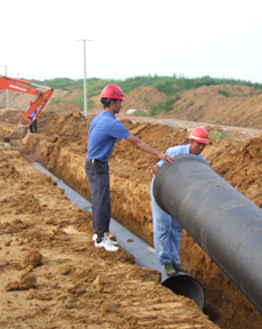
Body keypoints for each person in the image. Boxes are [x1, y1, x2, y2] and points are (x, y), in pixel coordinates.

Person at [86, 84, 174, 252]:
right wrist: (158, 155)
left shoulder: (98, 118)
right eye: (119, 102)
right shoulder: (112, 124)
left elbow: (90, 138)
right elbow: (136, 142)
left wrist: (92, 153)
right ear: (111, 102)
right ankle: (99, 238)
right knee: (101, 201)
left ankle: (100, 234)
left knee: (100, 199)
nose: (121, 105)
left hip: (93, 162)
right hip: (96, 165)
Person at [151, 127, 209, 276]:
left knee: (176, 227)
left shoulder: (200, 161)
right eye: (199, 144)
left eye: (204, 145)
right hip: (162, 190)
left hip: (179, 195)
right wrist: (171, 184)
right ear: (191, 141)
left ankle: (176, 261)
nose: (201, 148)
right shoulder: (175, 152)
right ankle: (166, 262)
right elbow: (156, 168)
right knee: (163, 225)